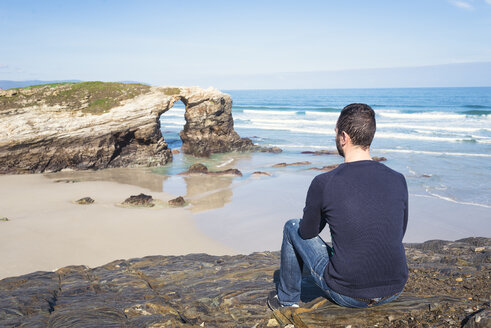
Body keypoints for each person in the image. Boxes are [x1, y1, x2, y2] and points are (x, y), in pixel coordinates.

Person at [267, 103, 408, 310]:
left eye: (336, 132)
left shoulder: (325, 182)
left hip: (348, 294)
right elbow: (399, 231)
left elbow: (307, 232)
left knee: (292, 225)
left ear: (344, 137)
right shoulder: (398, 179)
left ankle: (287, 301)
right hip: (394, 289)